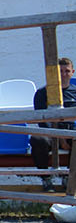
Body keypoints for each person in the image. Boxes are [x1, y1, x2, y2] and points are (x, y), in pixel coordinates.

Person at [32, 56, 74, 191]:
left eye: (67, 71)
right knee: (37, 139)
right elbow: (42, 120)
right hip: (50, 133)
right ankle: (46, 178)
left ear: (72, 72)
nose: (63, 74)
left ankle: (70, 177)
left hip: (72, 132)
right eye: (60, 71)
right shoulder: (42, 93)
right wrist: (59, 137)